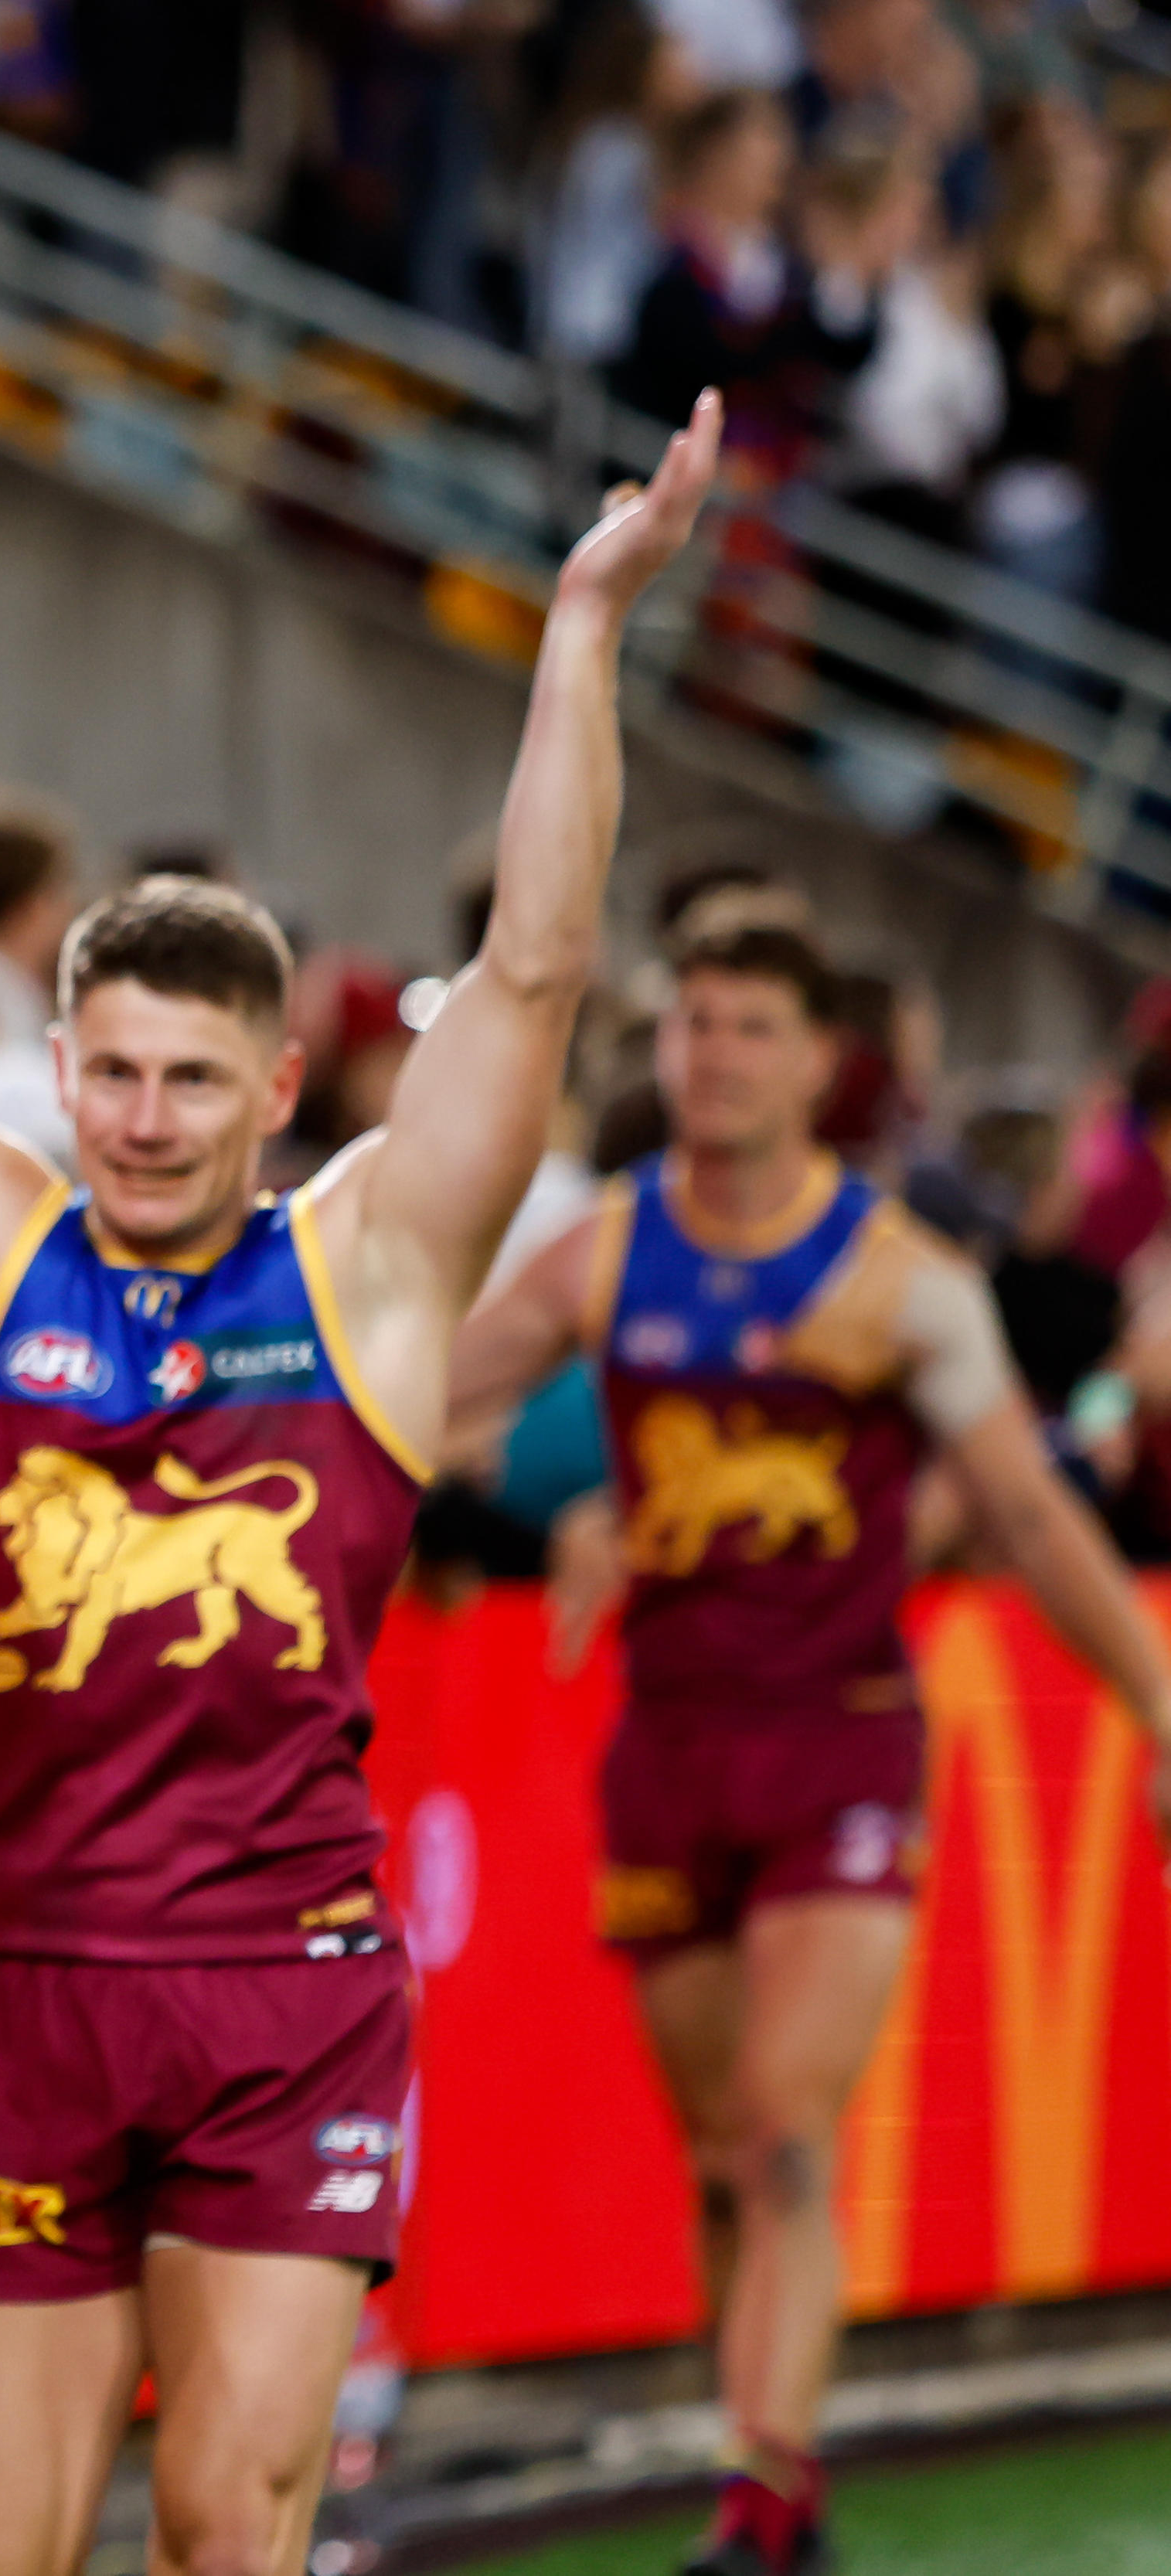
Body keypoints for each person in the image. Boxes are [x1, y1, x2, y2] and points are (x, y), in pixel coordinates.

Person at [0, 394, 722, 2576]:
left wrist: (585, 623)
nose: (149, 1119)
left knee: (226, 2514)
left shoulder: (367, 1269)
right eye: (112, 1074)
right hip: (11, 1986)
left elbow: (538, 968)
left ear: (281, 1086)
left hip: (289, 1985)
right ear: (52, 1068)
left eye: (195, 1080)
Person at [448, 904, 1171, 2576]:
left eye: (748, 1027)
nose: (711, 1055)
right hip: (668, 1749)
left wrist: (1148, 1692)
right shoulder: (605, 1250)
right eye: (692, 1023)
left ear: (818, 1061)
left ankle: (753, 2498)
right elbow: (409, 1388)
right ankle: (776, 2490)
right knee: (720, 2160)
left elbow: (1033, 1515)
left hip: (835, 1743)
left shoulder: (895, 1278)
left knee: (783, 2130)